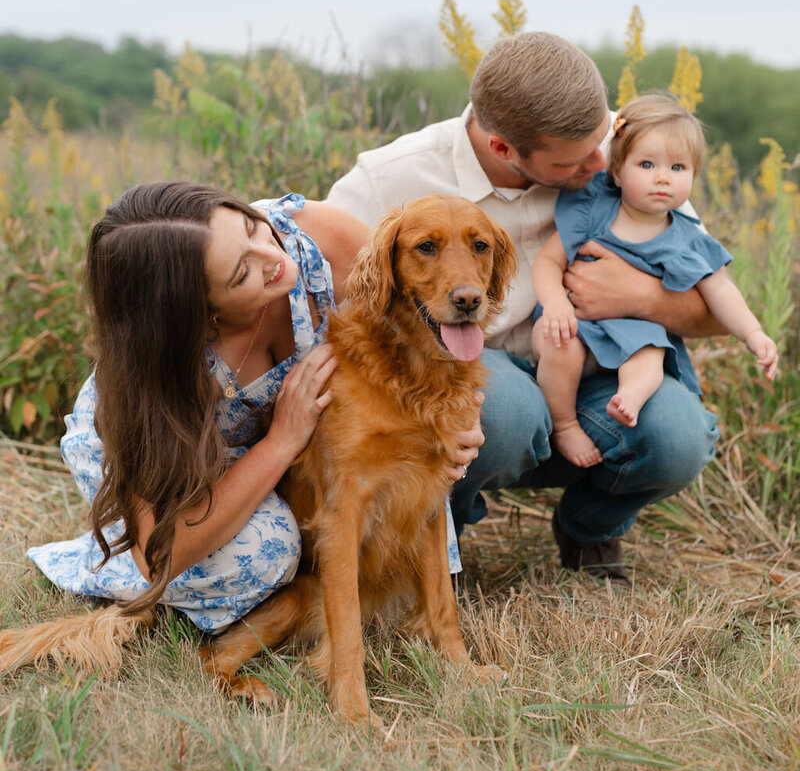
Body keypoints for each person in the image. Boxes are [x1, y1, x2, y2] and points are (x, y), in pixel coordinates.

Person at [327, 32, 723, 583]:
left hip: (599, 366)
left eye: (601, 138)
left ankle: (588, 529)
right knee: (505, 410)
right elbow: (320, 297)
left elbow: (714, 306)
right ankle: (438, 544)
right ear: (503, 149)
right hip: (468, 375)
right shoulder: (391, 178)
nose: (600, 161)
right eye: (573, 160)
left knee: (680, 436)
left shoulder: (628, 147)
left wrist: (639, 297)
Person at [22, 183, 477, 638]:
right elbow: (161, 550)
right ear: (200, 314)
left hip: (298, 455)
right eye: (242, 273)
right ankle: (145, 588)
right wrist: (281, 442)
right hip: (180, 461)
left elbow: (436, 306)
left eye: (251, 227)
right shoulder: (168, 369)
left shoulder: (317, 238)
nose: (273, 256)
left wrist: (463, 416)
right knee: (268, 551)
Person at [531, 93, 778, 469]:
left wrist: (754, 334)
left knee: (651, 354)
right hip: (574, 322)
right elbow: (548, 262)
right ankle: (564, 424)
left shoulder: (689, 240)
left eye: (679, 167)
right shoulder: (593, 210)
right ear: (616, 171)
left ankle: (628, 400)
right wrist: (555, 303)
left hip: (634, 332)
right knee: (558, 343)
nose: (663, 177)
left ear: (694, 175)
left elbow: (722, 291)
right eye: (646, 164)